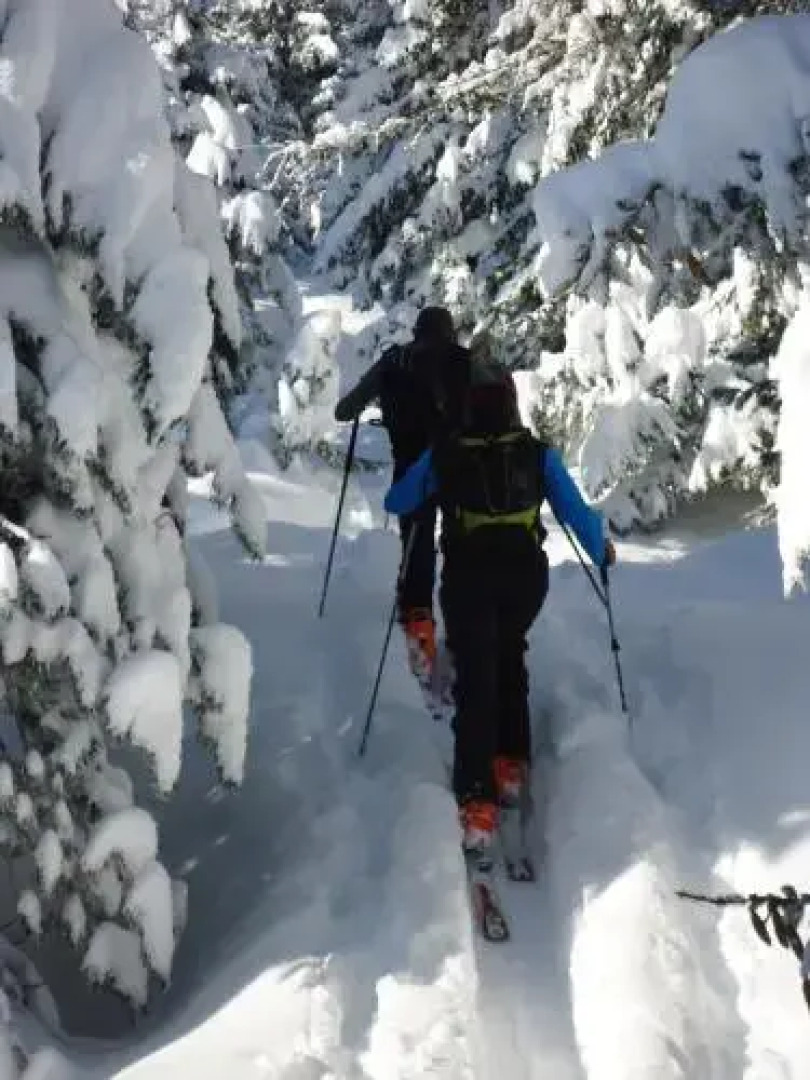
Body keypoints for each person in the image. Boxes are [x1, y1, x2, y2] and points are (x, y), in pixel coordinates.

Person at [384, 348, 616, 852]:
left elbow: (398, 501)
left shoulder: (448, 450)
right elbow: (577, 514)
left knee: (476, 676)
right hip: (525, 578)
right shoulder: (534, 452)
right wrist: (603, 551)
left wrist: (430, 480)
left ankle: (477, 801)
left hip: (469, 576)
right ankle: (510, 763)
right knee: (509, 653)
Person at [334, 306, 471, 679]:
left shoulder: (396, 359)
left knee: (418, 546)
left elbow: (344, 411)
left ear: (417, 331)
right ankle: (468, 636)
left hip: (411, 468)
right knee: (461, 546)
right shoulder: (465, 361)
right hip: (461, 470)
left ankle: (420, 634)